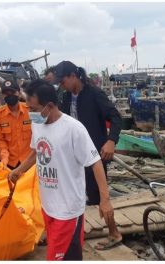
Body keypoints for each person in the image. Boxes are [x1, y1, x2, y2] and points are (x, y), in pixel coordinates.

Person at [8, 80, 118, 260]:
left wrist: (105, 200)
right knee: (69, 257)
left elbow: (95, 162)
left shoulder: (73, 129)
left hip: (68, 211)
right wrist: (19, 170)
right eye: (28, 108)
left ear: (49, 106)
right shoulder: (38, 124)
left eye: (34, 109)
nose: (30, 113)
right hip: (48, 206)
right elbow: (36, 151)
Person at [53, 60, 123, 250]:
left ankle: (114, 232)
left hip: (94, 154)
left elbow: (116, 117)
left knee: (100, 196)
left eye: (62, 80)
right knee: (74, 195)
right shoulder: (65, 97)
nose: (61, 84)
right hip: (72, 155)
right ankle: (76, 231)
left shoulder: (94, 94)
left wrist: (111, 140)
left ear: (73, 76)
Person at [0, 79, 32, 170]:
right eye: (6, 93)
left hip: (29, 162)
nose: (9, 95)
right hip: (8, 162)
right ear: (2, 95)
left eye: (12, 92)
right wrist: (4, 159)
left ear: (19, 93)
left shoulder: (30, 110)